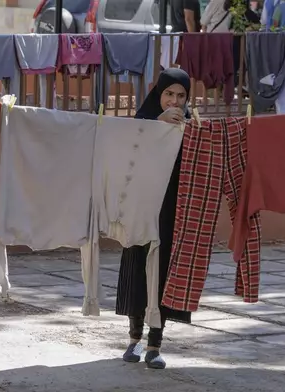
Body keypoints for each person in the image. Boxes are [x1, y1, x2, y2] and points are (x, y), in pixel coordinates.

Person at [116, 68, 192, 371]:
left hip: (172, 211)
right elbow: (126, 149)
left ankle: (155, 344)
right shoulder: (142, 121)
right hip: (141, 208)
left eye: (181, 96)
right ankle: (133, 338)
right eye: (168, 94)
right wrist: (155, 125)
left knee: (164, 273)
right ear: (158, 93)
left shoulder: (190, 126)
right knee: (138, 267)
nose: (174, 101)